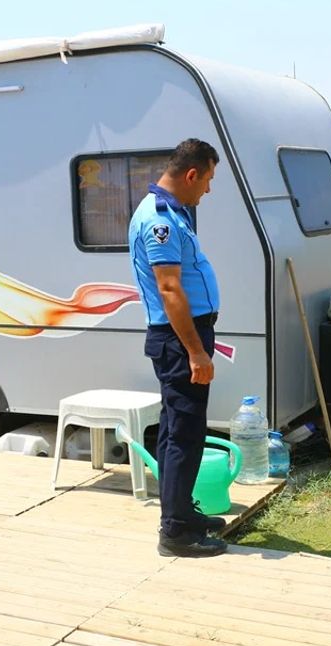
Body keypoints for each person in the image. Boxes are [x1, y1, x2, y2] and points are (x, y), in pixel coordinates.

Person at [128, 138, 227, 558]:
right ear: (191, 174)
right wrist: (196, 352)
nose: (207, 190)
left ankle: (183, 512)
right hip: (178, 340)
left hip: (182, 337)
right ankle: (175, 533)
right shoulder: (160, 221)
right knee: (184, 434)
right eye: (207, 180)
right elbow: (170, 290)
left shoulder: (172, 212)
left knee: (176, 430)